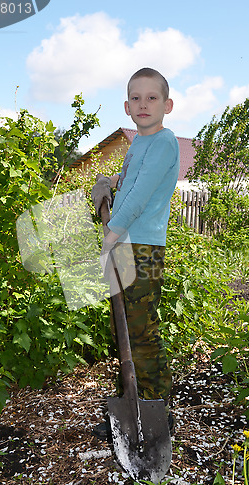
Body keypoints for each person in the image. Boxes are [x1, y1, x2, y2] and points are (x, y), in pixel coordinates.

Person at [91, 67, 180, 440]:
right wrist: (110, 182)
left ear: (167, 105)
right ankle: (129, 402)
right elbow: (132, 183)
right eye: (136, 98)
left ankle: (155, 408)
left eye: (152, 97)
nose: (144, 104)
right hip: (125, 244)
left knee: (141, 331)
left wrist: (111, 232)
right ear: (127, 107)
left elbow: (142, 196)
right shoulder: (139, 143)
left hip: (141, 247)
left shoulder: (164, 141)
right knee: (123, 328)